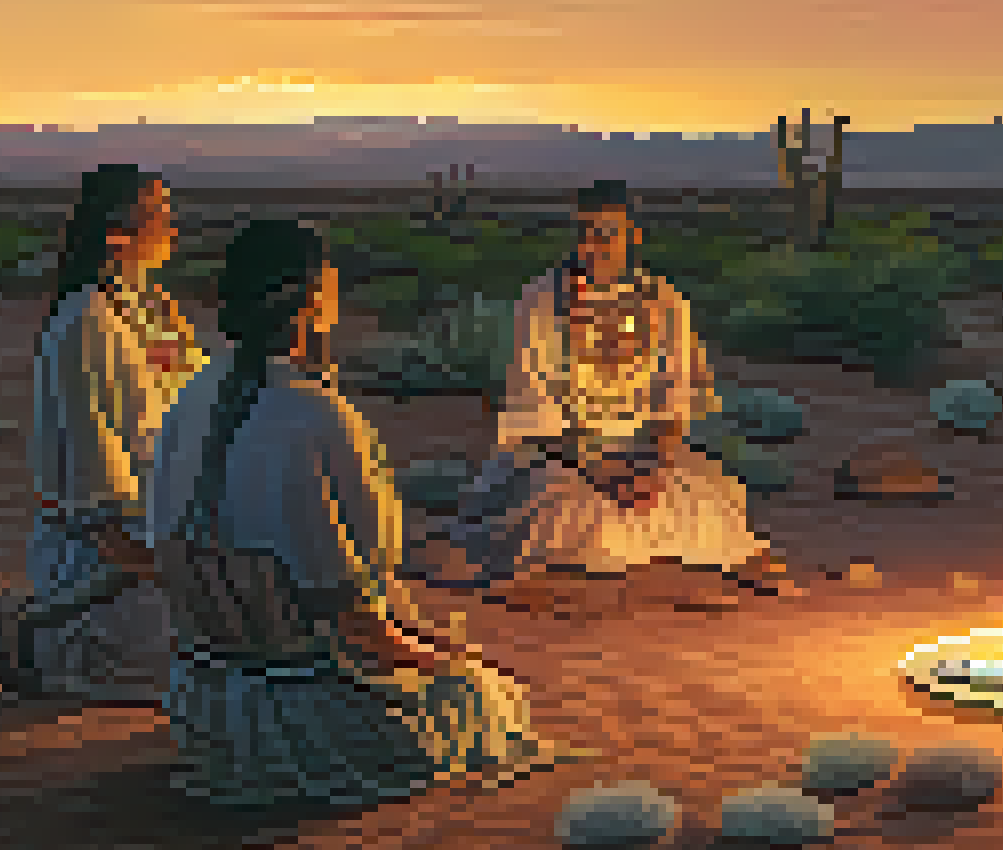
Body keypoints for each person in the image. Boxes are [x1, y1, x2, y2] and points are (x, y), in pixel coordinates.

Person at [150, 220, 570, 807]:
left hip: (204, 706)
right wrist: (440, 656)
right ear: (312, 301)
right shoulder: (316, 416)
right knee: (487, 695)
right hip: (302, 713)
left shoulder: (187, 396)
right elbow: (349, 614)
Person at [416, 179, 796, 610]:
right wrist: (603, 469)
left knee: (709, 489)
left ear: (632, 236)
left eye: (606, 233)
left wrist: (656, 463)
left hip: (642, 448)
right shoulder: (543, 302)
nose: (593, 245)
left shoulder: (665, 302)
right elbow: (535, 406)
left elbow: (677, 393)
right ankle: (525, 574)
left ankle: (730, 560)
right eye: (584, 232)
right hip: (559, 453)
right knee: (562, 501)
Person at [0, 164, 205, 702]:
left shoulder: (154, 307)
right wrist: (120, 532)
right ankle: (36, 633)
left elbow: (195, 394)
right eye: (157, 215)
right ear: (118, 229)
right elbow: (86, 434)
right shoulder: (85, 317)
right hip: (107, 533)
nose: (171, 228)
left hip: (168, 515)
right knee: (177, 670)